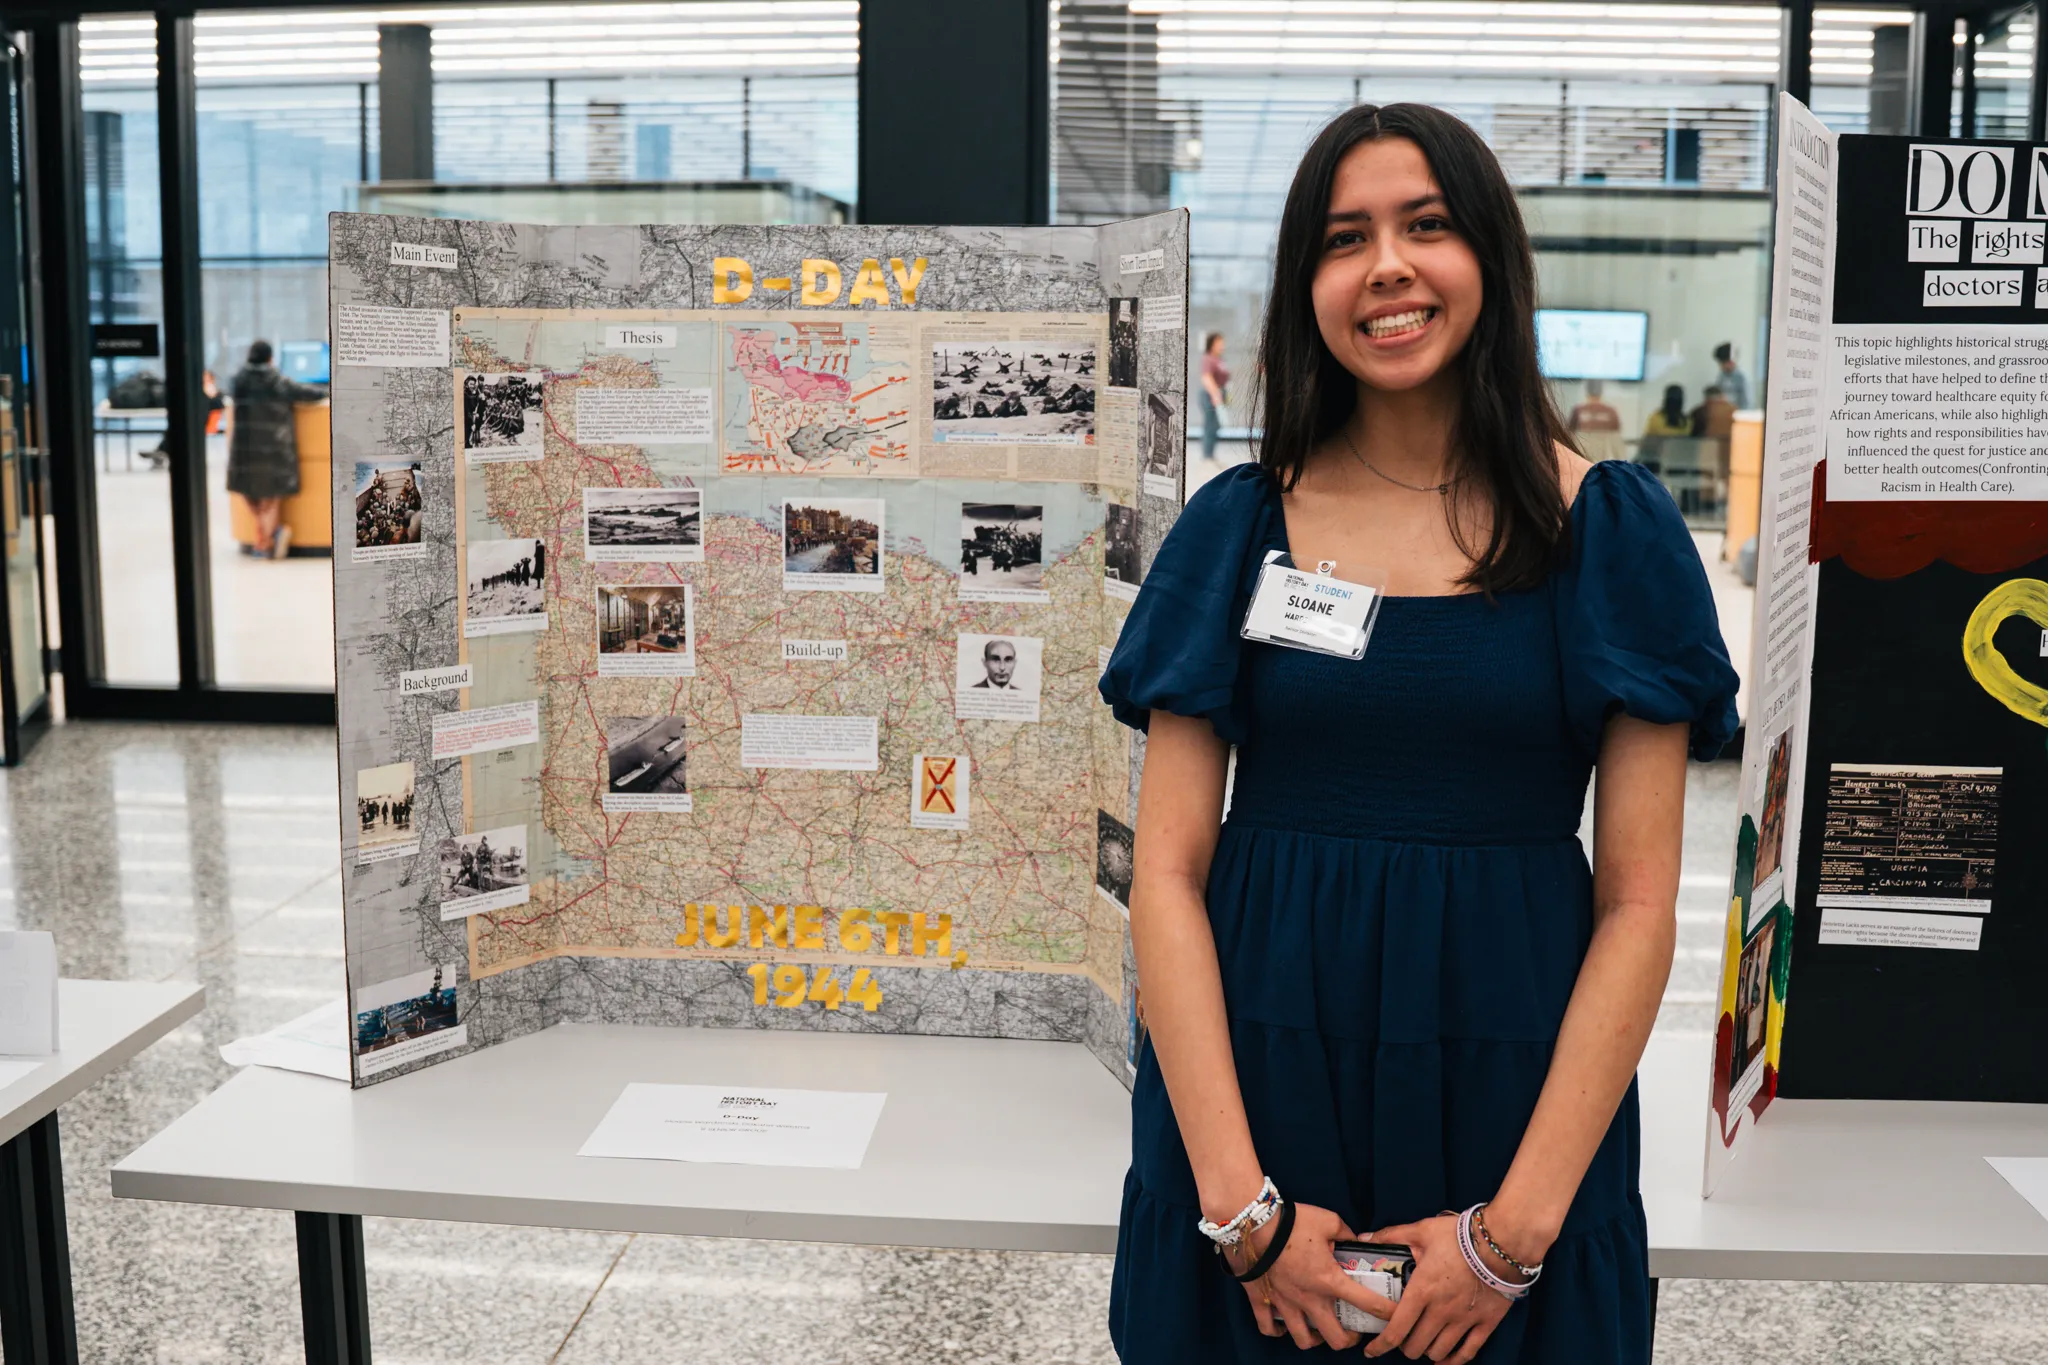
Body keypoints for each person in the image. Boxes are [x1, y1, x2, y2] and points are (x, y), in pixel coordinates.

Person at [1098, 102, 1736, 1364]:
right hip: (1257, 1084)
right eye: (1345, 239)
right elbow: (1164, 876)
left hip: (1513, 1092)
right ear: (1307, 287)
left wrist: (1512, 1233)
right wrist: (1240, 1208)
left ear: (1488, 259)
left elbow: (1637, 907)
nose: (1385, 265)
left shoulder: (1605, 530)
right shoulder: (1237, 527)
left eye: (1424, 225)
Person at [228, 340, 326, 559]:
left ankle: (262, 541)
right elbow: (307, 393)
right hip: (273, 449)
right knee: (270, 499)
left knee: (251, 496)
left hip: (245, 450)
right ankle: (265, 544)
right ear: (270, 358)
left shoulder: (238, 380)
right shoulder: (275, 380)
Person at [1198, 332, 1230, 461]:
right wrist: (1215, 395)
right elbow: (1206, 378)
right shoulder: (1208, 358)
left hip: (1219, 393)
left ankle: (1210, 455)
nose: (1222, 346)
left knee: (1216, 425)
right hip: (1210, 394)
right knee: (1210, 425)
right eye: (1219, 343)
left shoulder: (1220, 359)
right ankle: (1207, 456)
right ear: (1211, 344)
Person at [1712, 342, 1749, 409]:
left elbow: (1746, 403)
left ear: (1731, 361)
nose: (1720, 366)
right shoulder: (1721, 376)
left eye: (1722, 363)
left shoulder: (1742, 377)